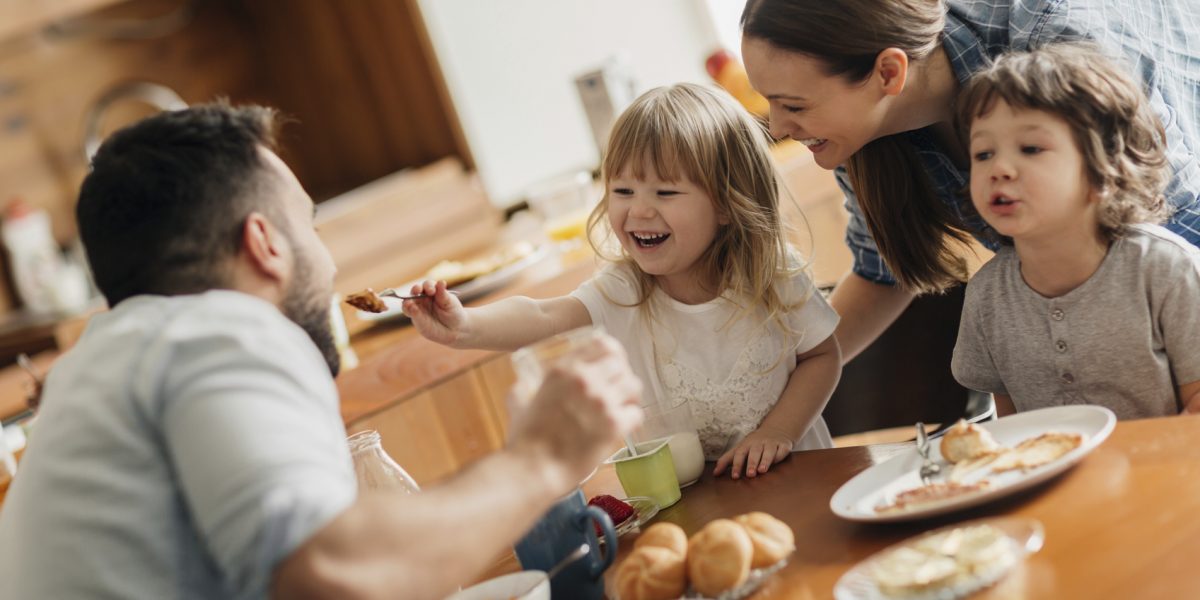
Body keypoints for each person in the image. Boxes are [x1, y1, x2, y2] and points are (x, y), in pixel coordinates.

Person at [0, 103, 644, 599]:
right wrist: (540, 460)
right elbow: (337, 575)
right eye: (308, 223)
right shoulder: (215, 331)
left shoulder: (102, 373)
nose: (326, 258)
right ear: (265, 243)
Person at [404, 83, 841, 480]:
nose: (640, 211)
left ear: (727, 204)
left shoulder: (772, 273)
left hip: (796, 477)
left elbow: (823, 357)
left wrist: (780, 431)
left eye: (665, 193)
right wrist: (464, 326)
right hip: (690, 502)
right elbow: (542, 314)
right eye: (623, 191)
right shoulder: (624, 291)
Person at [739, 0, 1200, 364]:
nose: (778, 127)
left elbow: (1172, 222)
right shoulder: (859, 132)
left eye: (794, 106)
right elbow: (880, 273)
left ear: (888, 73)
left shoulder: (1056, 42)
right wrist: (778, 382)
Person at [950, 44, 1200, 419]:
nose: (999, 168)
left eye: (1030, 148)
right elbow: (1010, 424)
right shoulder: (987, 296)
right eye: (983, 153)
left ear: (1105, 169)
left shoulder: (1167, 269)